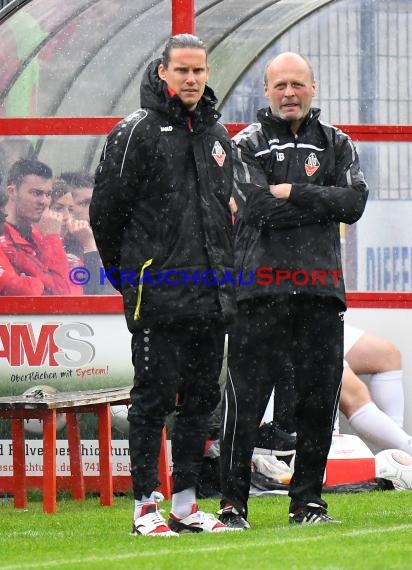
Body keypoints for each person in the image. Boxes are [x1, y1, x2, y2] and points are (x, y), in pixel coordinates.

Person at [90, 34, 237, 537]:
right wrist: (131, 279)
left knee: (200, 402)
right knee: (152, 402)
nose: (191, 79)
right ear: (163, 73)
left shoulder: (218, 135)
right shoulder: (136, 131)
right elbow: (104, 214)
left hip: (210, 294)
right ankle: (144, 510)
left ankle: (187, 506)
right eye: (182, 71)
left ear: (207, 73)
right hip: (158, 296)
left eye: (199, 71)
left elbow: (223, 216)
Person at [218, 52, 368, 528]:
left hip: (321, 294)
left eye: (297, 85)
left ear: (313, 88)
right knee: (244, 403)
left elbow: (354, 202)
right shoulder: (245, 143)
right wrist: (318, 201)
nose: (289, 93)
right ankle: (232, 504)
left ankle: (307, 503)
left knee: (319, 402)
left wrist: (293, 192)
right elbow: (256, 206)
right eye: (280, 85)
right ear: (266, 90)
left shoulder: (337, 143)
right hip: (259, 293)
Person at [1, 158, 71, 295]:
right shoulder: (3, 236)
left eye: (48, 194)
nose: (44, 201)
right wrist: (52, 238)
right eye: (36, 193)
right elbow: (23, 292)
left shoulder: (38, 236)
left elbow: (67, 293)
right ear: (12, 192)